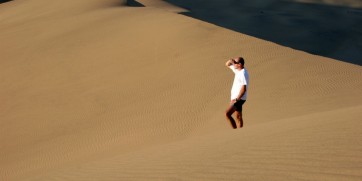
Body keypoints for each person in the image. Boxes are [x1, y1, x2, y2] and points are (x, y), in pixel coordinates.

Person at [225, 57, 249, 129]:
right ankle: (240, 132)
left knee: (227, 114)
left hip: (239, 98)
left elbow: (244, 88)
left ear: (240, 64)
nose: (233, 64)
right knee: (238, 116)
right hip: (236, 98)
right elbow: (227, 64)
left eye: (235, 63)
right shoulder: (237, 70)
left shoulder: (243, 73)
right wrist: (231, 61)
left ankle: (235, 132)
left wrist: (237, 99)